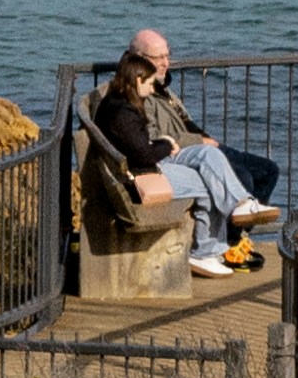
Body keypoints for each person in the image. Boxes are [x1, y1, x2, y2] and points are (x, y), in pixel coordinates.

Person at [94, 31, 280, 278]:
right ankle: (222, 236)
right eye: (157, 58)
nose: (165, 63)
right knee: (220, 173)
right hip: (144, 173)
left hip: (160, 158)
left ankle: (220, 235)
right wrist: (167, 144)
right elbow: (144, 152)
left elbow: (157, 137)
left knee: (228, 166)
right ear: (138, 70)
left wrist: (182, 141)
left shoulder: (140, 94)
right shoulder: (124, 108)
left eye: (167, 55)